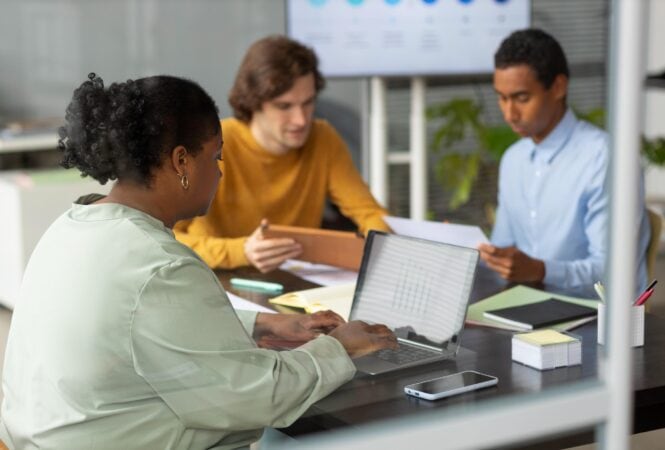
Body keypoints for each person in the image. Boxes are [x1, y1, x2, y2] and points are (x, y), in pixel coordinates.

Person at [0, 74, 397, 449]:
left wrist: (265, 324)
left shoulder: (72, 226)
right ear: (181, 162)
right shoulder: (161, 267)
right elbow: (259, 396)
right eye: (216, 157)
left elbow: (136, 324)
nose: (220, 173)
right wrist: (339, 349)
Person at [174, 36, 390, 273]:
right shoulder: (214, 142)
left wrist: (384, 250)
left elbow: (370, 214)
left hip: (295, 282)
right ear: (254, 102)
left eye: (308, 103)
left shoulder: (323, 138)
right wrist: (242, 251)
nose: (301, 120)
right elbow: (166, 238)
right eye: (284, 106)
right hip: (216, 281)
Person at [478, 28, 650, 296]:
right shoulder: (514, 159)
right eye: (502, 97)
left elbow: (614, 270)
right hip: (528, 310)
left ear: (558, 87)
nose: (509, 113)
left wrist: (540, 270)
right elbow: (504, 248)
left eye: (522, 98)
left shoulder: (606, 158)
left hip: (596, 320)